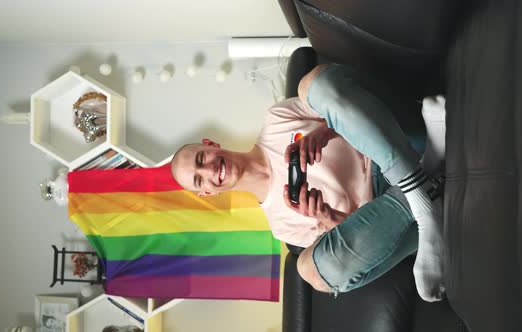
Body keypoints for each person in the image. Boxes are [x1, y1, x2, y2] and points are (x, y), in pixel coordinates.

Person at [171, 64, 446, 302]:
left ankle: (422, 187)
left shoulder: (276, 120)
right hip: (388, 212)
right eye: (199, 178)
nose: (208, 169)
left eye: (200, 158)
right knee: (310, 270)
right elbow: (366, 245)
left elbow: (346, 101)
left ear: (210, 145)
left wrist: (326, 131)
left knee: (310, 85)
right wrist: (326, 216)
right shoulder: (282, 227)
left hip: (399, 141)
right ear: (207, 191)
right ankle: (424, 184)